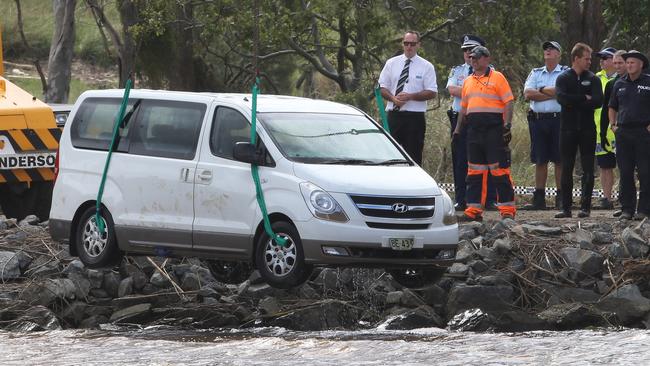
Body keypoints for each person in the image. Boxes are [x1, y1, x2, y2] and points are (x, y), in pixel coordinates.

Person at [453, 46, 516, 221]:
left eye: (477, 58)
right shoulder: (467, 81)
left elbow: (509, 102)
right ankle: (473, 211)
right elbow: (463, 109)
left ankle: (507, 211)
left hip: (494, 130)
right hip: (473, 130)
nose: (473, 60)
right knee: (474, 171)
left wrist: (507, 125)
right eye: (471, 58)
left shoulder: (498, 77)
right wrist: (458, 130)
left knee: (499, 170)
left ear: (487, 59)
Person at [446, 34, 497, 211]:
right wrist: (474, 90)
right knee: (460, 161)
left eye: (472, 50)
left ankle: (489, 199)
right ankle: (461, 199)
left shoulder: (492, 73)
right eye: (465, 50)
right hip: (459, 119)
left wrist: (468, 91)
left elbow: (492, 91)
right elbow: (452, 89)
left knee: (487, 159)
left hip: (483, 120)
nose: (468, 53)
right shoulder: (457, 71)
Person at [554, 43, 603, 218]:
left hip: (587, 130)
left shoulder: (593, 79)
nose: (590, 62)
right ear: (576, 58)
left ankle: (585, 207)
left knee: (588, 169)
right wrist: (583, 97)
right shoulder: (563, 78)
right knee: (567, 167)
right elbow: (561, 98)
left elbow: (598, 101)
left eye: (590, 59)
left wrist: (573, 102)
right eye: (586, 58)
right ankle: (565, 208)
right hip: (567, 129)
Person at [379, 31, 437, 165]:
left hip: (415, 118)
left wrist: (411, 96)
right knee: (390, 155)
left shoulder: (426, 66)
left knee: (414, 157)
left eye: (412, 44)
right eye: (406, 43)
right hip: (394, 115)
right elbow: (382, 87)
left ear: (419, 45)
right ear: (402, 44)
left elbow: (432, 92)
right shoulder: (391, 63)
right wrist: (393, 99)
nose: (409, 47)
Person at [523, 41, 567, 210]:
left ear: (558, 54)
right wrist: (551, 93)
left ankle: (561, 198)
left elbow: (562, 91)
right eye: (546, 49)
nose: (548, 51)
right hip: (538, 120)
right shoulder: (535, 72)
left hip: (559, 120)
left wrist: (540, 91)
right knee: (540, 159)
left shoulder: (565, 72)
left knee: (559, 159)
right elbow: (528, 93)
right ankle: (539, 199)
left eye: (552, 49)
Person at [608, 50, 650, 221]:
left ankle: (644, 210)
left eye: (633, 62)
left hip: (643, 133)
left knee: (645, 172)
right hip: (623, 133)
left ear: (640, 65)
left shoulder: (648, 82)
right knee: (625, 173)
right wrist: (613, 125)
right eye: (628, 62)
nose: (629, 65)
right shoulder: (619, 83)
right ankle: (627, 209)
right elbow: (612, 106)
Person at [593, 47, 618, 209]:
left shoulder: (622, 78)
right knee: (605, 165)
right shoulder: (596, 78)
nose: (601, 61)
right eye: (600, 58)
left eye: (605, 58)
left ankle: (625, 197)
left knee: (625, 165)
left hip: (617, 129)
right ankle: (606, 198)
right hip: (599, 131)